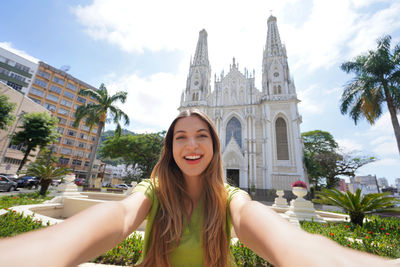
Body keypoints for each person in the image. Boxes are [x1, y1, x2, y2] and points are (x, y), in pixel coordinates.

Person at [0, 109, 393, 267]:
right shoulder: (152, 190)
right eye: (180, 137)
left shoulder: (231, 198)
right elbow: (119, 216)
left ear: (216, 144)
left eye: (202, 136)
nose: (191, 145)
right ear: (169, 148)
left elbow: (284, 241)